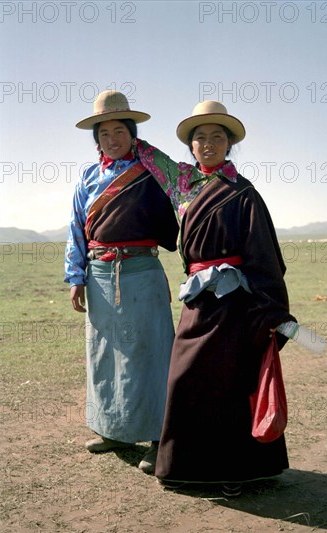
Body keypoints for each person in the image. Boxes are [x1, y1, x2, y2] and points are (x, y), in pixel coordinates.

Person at [134, 100, 296, 496]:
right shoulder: (181, 184)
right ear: (190, 147)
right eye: (200, 138)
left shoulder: (244, 193)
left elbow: (263, 253)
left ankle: (236, 470)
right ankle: (186, 465)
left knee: (228, 384)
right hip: (197, 299)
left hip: (235, 302)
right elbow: (146, 154)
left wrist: (270, 309)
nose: (208, 144)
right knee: (185, 378)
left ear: (229, 144)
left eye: (217, 138)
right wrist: (120, 127)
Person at [64, 90, 179, 475]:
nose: (111, 139)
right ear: (96, 138)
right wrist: (75, 275)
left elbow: (187, 197)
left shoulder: (153, 169)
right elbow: (77, 228)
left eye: (118, 130)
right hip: (98, 274)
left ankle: (158, 436)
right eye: (103, 133)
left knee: (150, 352)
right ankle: (112, 429)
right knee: (104, 354)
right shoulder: (88, 176)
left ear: (132, 133)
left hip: (141, 271)